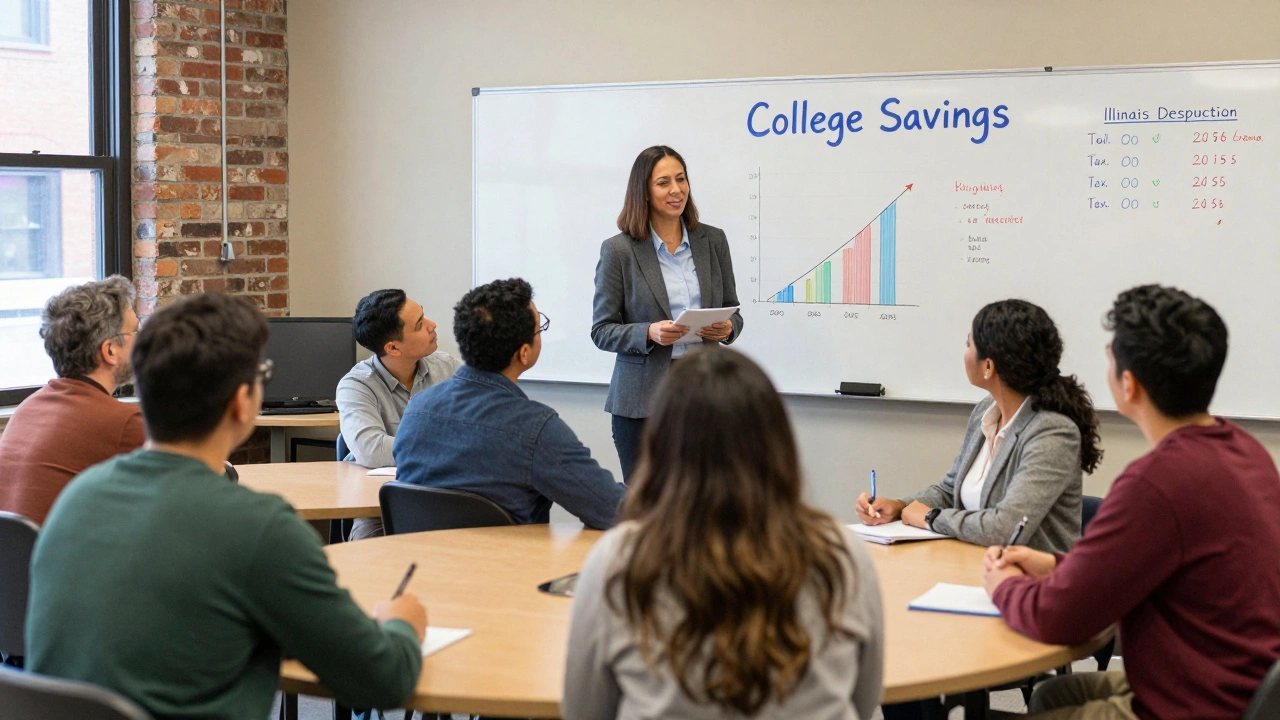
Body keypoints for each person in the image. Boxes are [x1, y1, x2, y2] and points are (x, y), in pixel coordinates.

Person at [26, 293, 427, 719]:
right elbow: (384, 679)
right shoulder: (258, 528)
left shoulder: (79, 497)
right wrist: (401, 621)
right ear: (242, 400)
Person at [985, 285, 1280, 720]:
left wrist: (1003, 587)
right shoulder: (1244, 450)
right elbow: (1137, 569)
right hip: (1243, 685)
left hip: (1201, 702)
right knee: (1053, 696)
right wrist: (1056, 567)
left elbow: (1061, 619)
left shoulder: (1157, 482)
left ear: (1129, 383)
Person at [563, 347, 883, 719]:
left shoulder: (619, 559)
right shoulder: (842, 552)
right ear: (777, 443)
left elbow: (585, 712)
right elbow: (864, 700)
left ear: (661, 444)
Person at [857, 299, 1101, 553]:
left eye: (968, 345)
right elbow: (950, 491)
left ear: (988, 366)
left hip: (1033, 581)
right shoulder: (986, 411)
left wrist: (930, 518)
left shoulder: (1052, 432)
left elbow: (1005, 528)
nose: (964, 353)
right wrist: (900, 506)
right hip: (976, 565)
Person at [395, 277, 624, 529]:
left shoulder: (416, 410)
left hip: (421, 564)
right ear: (523, 353)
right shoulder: (535, 428)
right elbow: (612, 510)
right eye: (540, 329)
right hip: (507, 566)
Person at [591, 145, 744, 480]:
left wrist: (727, 328)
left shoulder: (712, 241)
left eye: (681, 179)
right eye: (663, 183)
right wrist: (649, 332)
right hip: (643, 401)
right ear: (643, 192)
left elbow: (734, 311)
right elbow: (602, 330)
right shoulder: (619, 251)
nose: (676, 190)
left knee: (708, 501)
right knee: (648, 508)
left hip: (705, 393)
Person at [0, 276, 145, 526]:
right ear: (110, 350)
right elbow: (191, 488)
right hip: (63, 562)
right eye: (135, 330)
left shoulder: (28, 408)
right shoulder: (123, 424)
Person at [337, 288, 461, 539]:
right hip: (382, 506)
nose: (432, 324)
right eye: (419, 324)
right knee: (367, 556)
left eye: (424, 316)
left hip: (448, 496)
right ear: (393, 348)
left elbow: (482, 428)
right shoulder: (356, 385)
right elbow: (371, 449)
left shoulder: (448, 368)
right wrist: (447, 450)